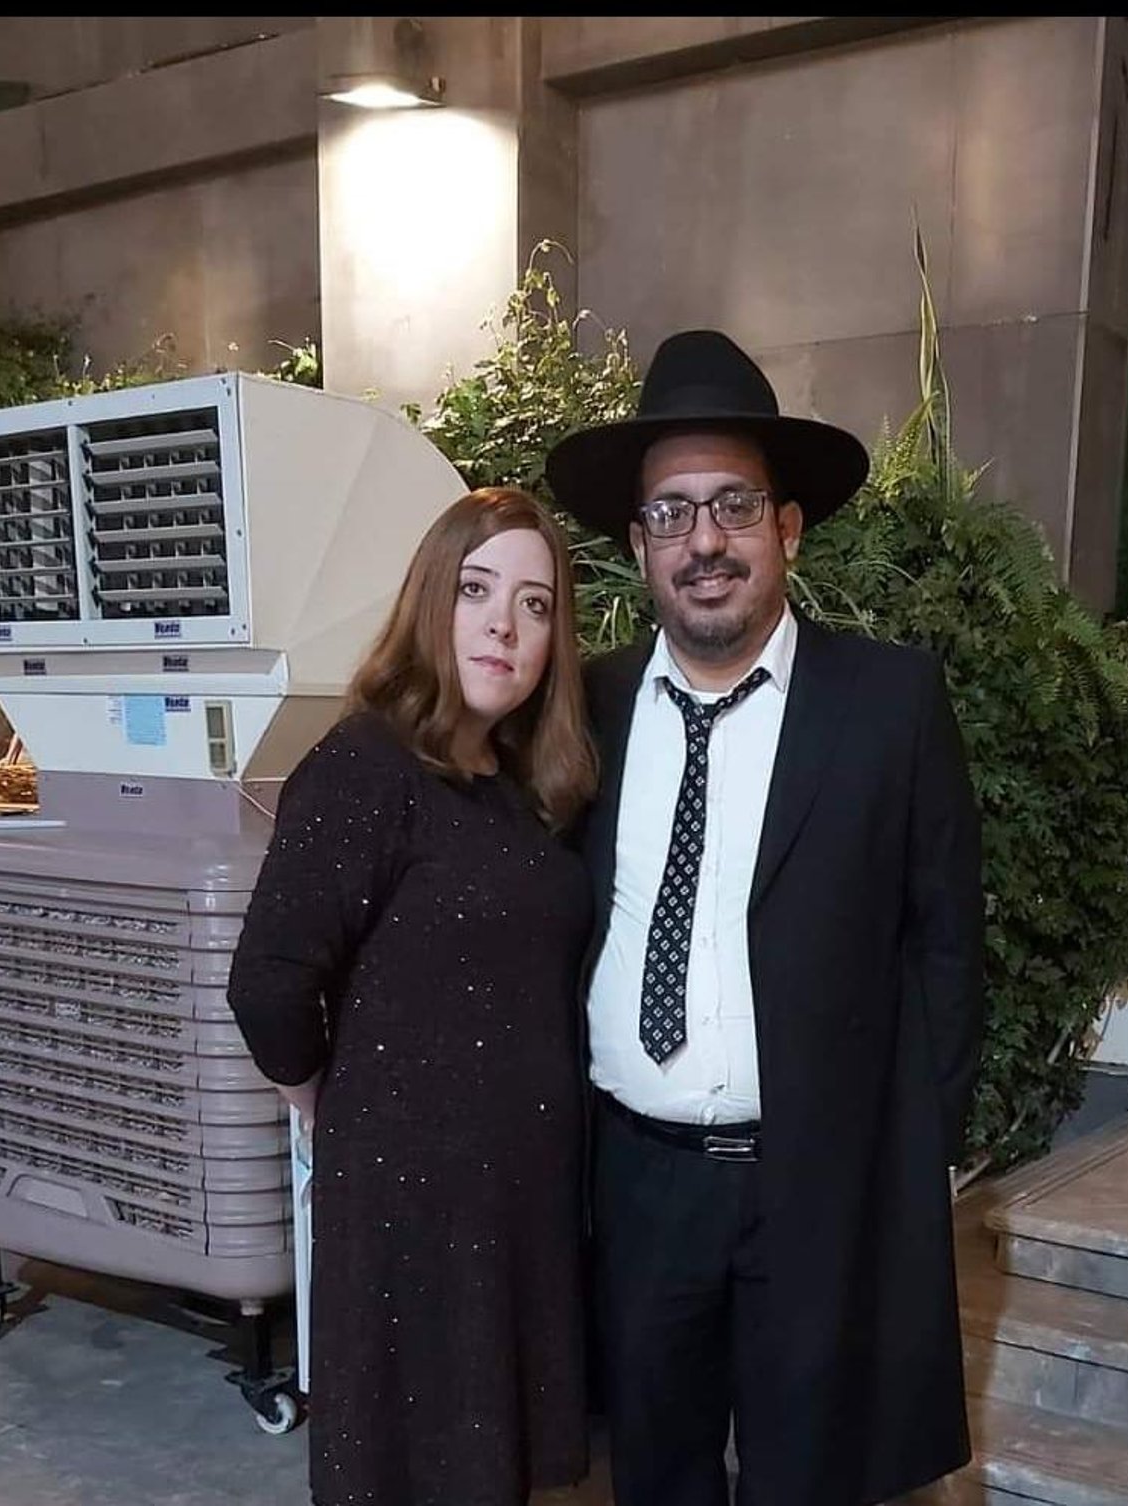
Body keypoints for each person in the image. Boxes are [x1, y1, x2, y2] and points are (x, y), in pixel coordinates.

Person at [545, 330, 986, 1506]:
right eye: (670, 513)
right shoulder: (585, 709)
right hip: (636, 1181)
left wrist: (909, 1146)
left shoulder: (888, 704)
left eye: (732, 505)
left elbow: (946, 945)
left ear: (786, 527)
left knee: (808, 1478)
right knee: (654, 1473)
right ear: (638, 544)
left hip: (816, 1180)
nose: (703, 541)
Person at [226, 487, 598, 1506]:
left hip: (517, 1200)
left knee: (492, 1469)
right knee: (421, 1469)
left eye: (534, 604)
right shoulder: (365, 767)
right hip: (411, 1203)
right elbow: (268, 981)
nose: (503, 624)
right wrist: (319, 1100)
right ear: (431, 599)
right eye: (477, 589)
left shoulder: (521, 788)